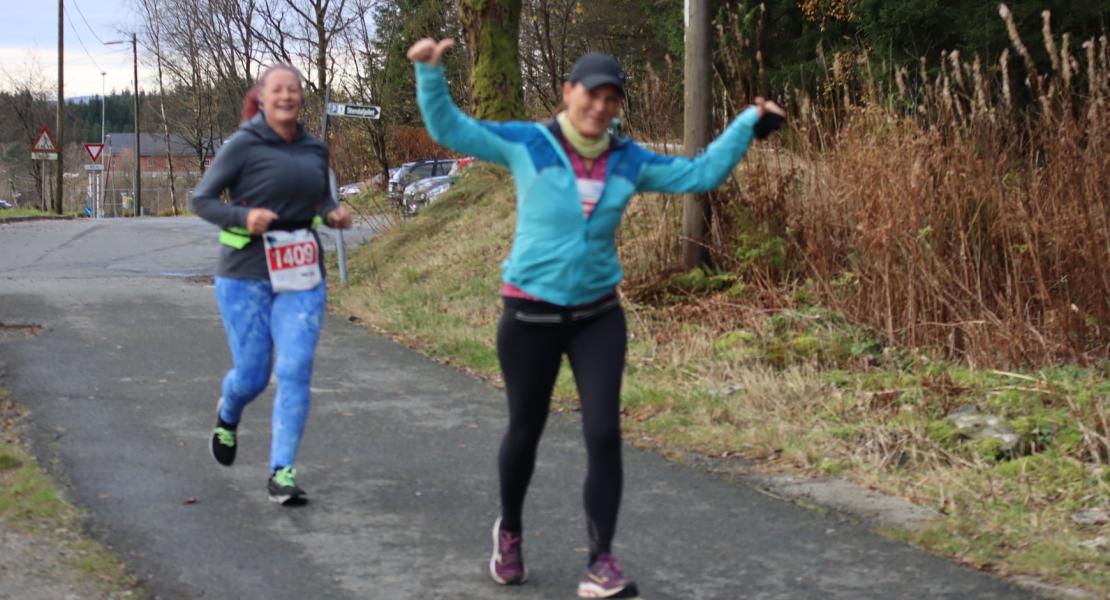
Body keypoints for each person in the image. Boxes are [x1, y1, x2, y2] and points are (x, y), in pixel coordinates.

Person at [407, 39, 785, 598]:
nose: (601, 106)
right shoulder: (528, 143)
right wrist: (429, 72)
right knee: (525, 433)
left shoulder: (629, 159)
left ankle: (600, 561)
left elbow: (699, 175)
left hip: (596, 315)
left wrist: (747, 125)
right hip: (530, 314)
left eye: (612, 98)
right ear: (567, 93)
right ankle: (509, 530)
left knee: (604, 432)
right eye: (592, 93)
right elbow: (452, 129)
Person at [192, 64, 352, 506]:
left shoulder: (315, 148)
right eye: (277, 89)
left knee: (296, 367)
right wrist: (244, 217)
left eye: (294, 90)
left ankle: (282, 470)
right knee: (253, 374)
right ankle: (228, 415)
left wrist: (332, 211)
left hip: (301, 274)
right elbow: (201, 200)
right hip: (245, 273)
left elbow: (318, 197)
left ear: (302, 98)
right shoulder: (242, 145)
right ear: (262, 98)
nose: (287, 96)